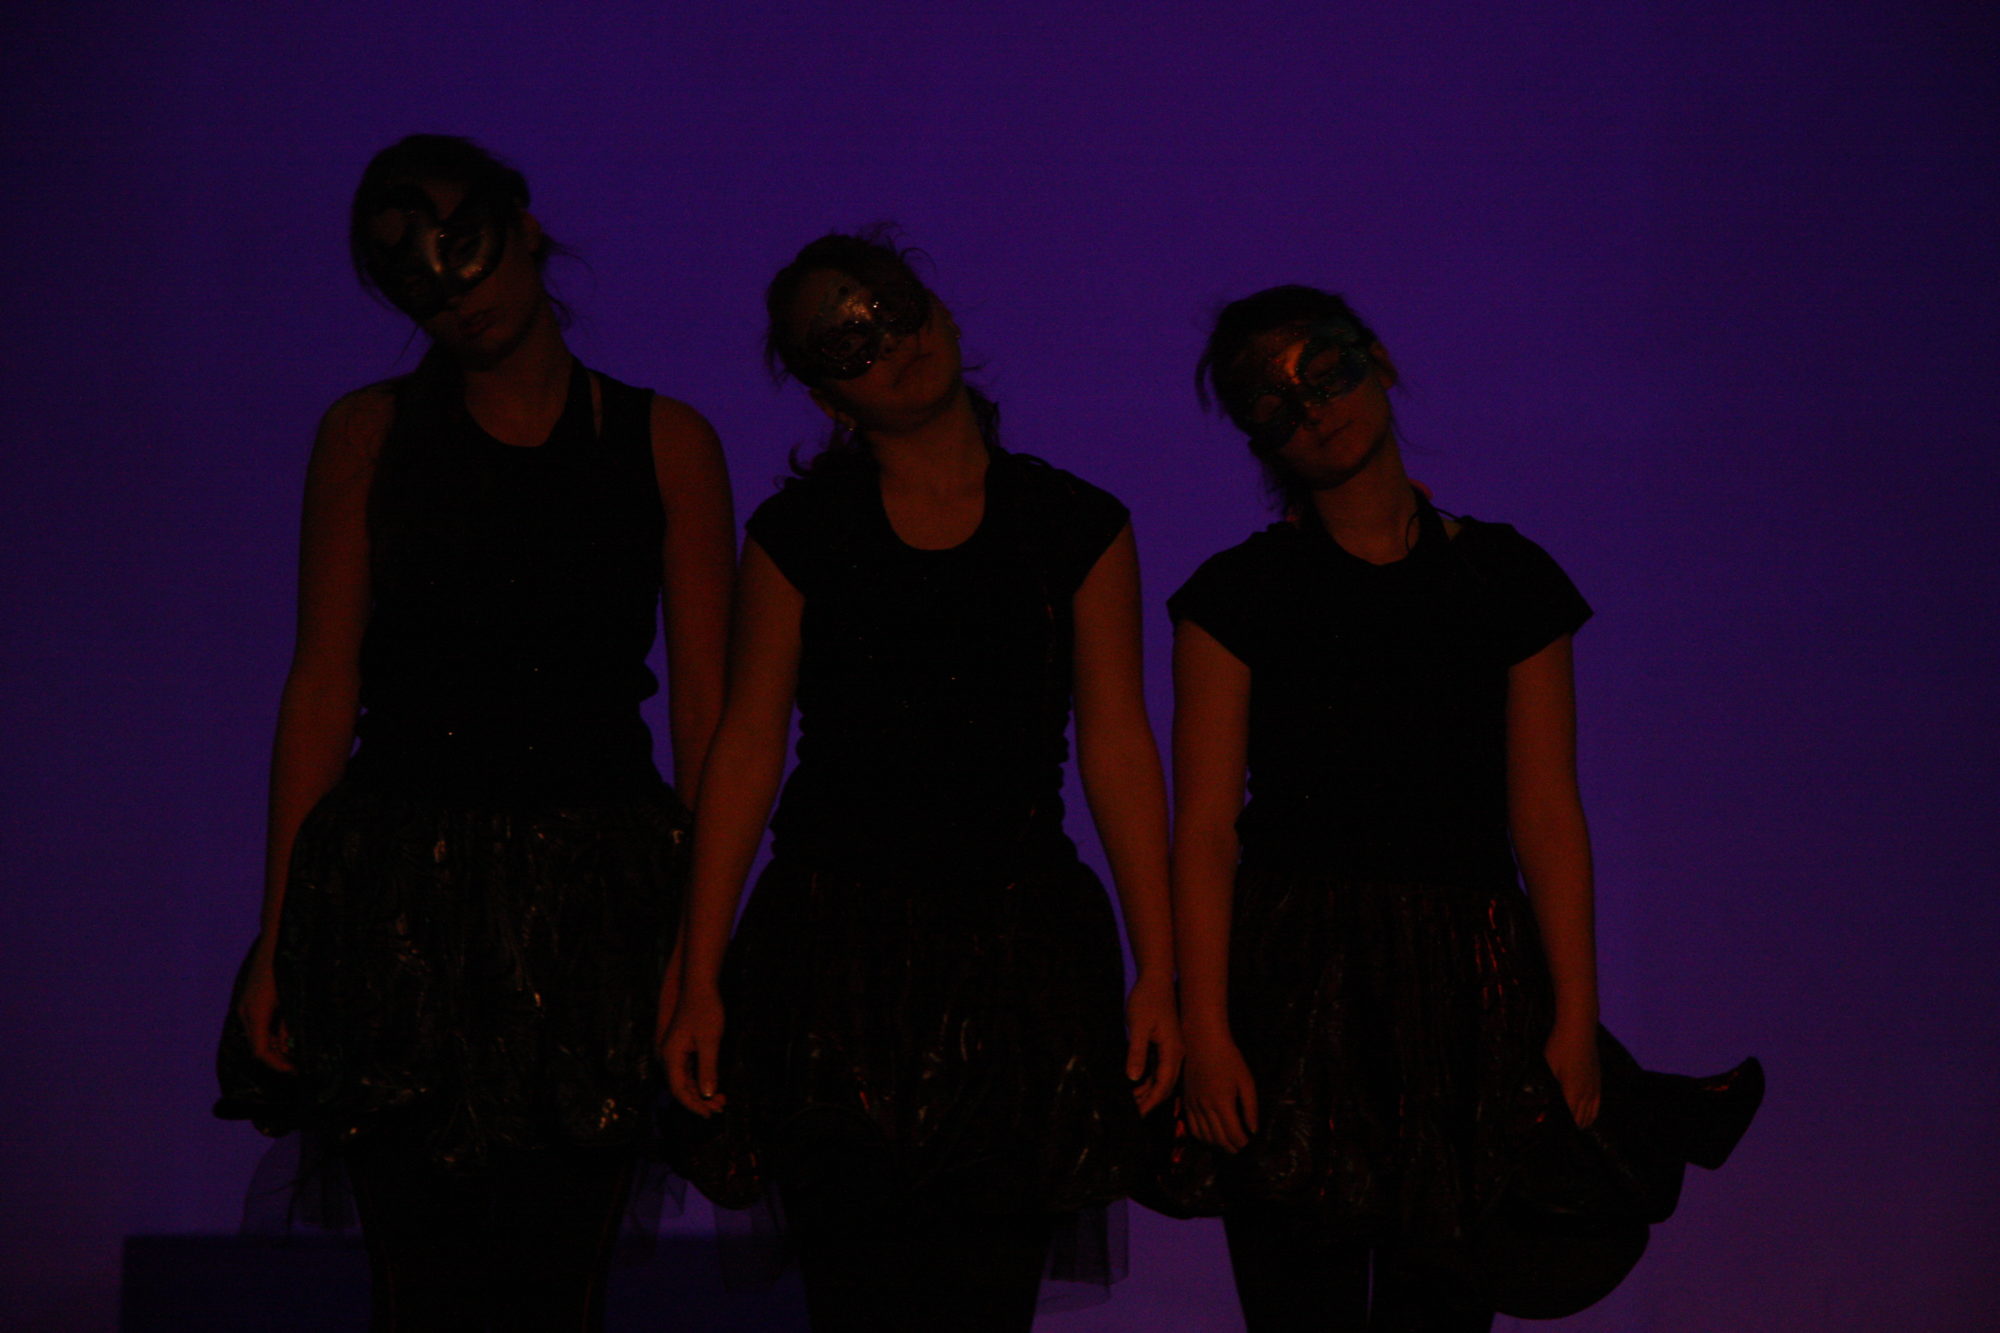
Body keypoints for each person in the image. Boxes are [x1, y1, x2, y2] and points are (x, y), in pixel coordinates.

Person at [216, 134, 735, 1332]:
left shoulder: (663, 441)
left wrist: (701, 949)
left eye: (464, 245)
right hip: (400, 892)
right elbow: (322, 683)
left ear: (525, 226)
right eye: (410, 273)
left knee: (561, 1273)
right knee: (421, 1278)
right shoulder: (370, 433)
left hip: (599, 898)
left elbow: (709, 714)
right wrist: (279, 935)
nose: (449, 287)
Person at [1166, 285, 1759, 1330]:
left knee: (1442, 1294)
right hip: (1293, 982)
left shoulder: (1504, 578)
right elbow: (1206, 829)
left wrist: (1573, 1018)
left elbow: (1546, 813)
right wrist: (1206, 1027)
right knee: (1297, 1288)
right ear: (1254, 433)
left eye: (1327, 370)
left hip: (1468, 977)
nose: (1312, 409)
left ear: (1379, 360)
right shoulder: (1235, 595)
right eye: (1272, 399)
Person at [662, 231, 1180, 1332]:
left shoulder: (1074, 525)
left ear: (937, 311)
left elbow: (1118, 746)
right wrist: (698, 972)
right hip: (829, 959)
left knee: (985, 1294)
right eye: (844, 342)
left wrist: (1160, 970)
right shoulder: (802, 534)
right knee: (857, 1296)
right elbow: (747, 744)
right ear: (822, 392)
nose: (885, 343)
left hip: (1017, 959)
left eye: (890, 310)